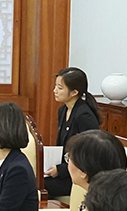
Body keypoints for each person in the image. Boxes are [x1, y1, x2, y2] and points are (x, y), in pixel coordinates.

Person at [42, 67, 101, 199]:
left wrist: (61, 170)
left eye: (60, 88)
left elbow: (89, 153)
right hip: (65, 171)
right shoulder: (63, 110)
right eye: (55, 86)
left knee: (39, 185)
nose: (54, 91)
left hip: (78, 176)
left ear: (74, 92)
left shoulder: (84, 116)